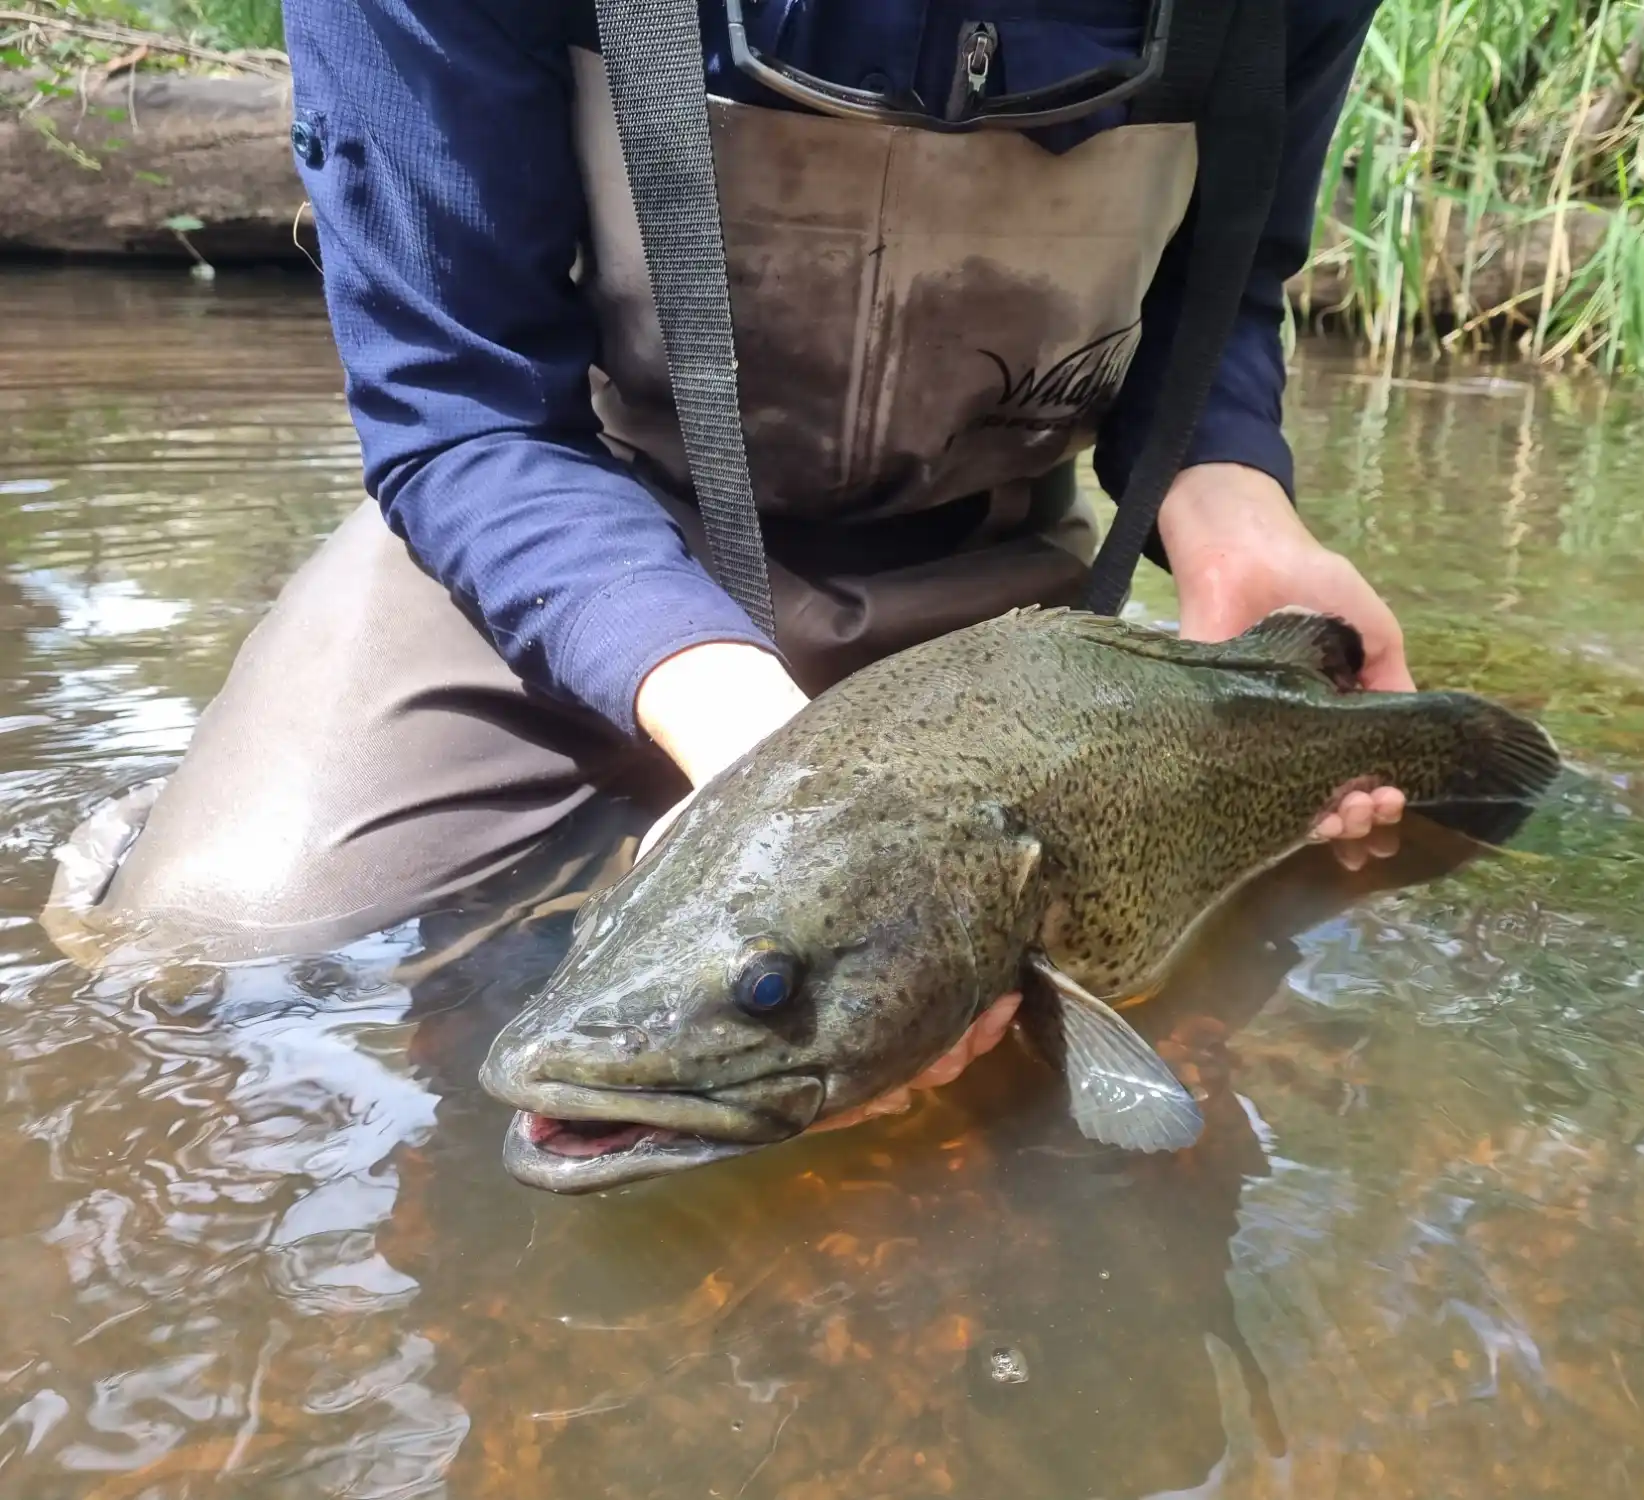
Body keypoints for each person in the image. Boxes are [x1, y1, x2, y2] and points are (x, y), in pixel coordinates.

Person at [46, 0, 1411, 1120]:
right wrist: (756, 757)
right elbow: (461, 407)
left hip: (985, 561)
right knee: (197, 954)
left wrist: (1232, 507)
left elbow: (1221, 289)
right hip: (560, 517)